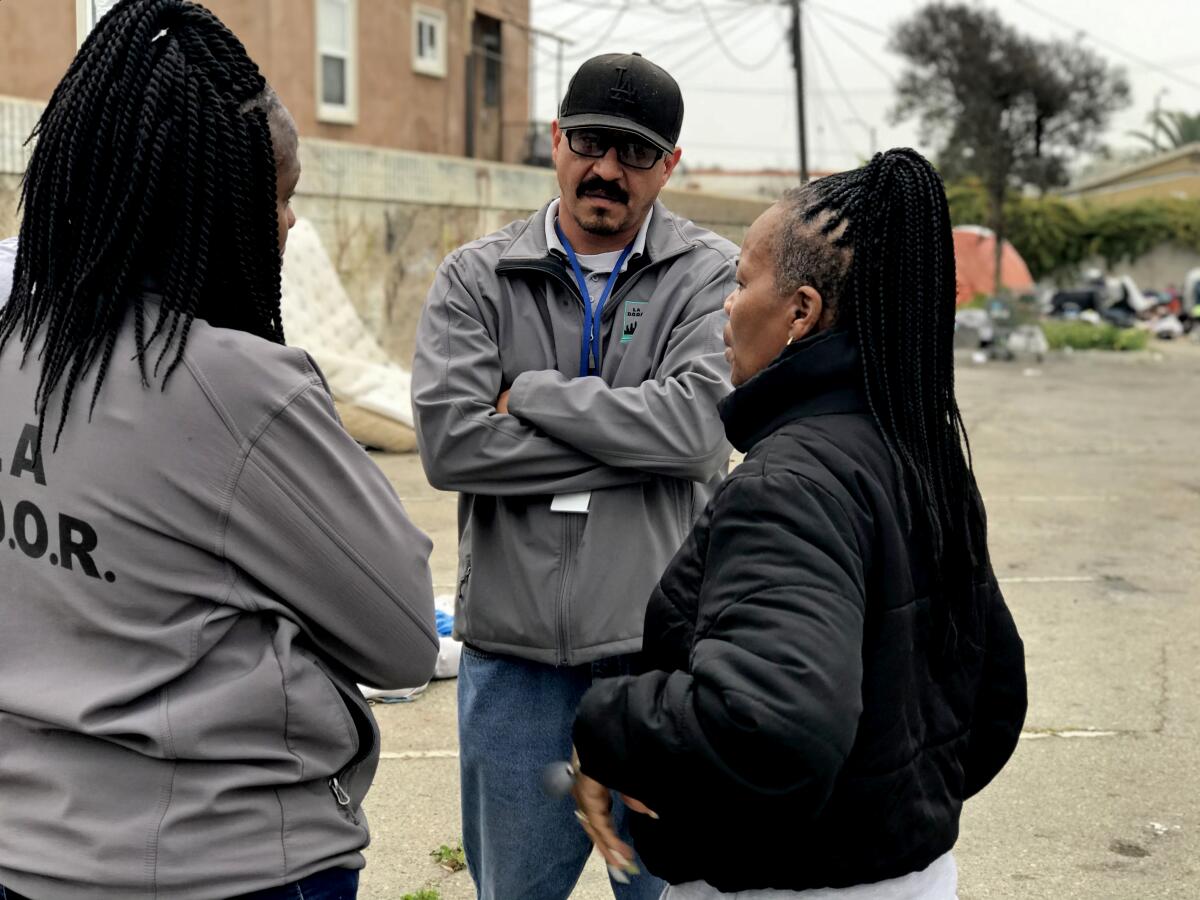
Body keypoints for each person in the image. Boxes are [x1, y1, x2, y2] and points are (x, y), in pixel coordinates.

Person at [0, 2, 437, 898]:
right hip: (219, 862)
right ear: (212, 201)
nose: (288, 226)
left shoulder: (10, 348)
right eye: (280, 195)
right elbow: (398, 640)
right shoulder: (238, 389)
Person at [569, 148, 1028, 898]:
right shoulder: (918, 453)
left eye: (743, 282)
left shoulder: (789, 485)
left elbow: (769, 722)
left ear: (802, 311)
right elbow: (991, 694)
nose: (726, 303)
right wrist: (895, 804)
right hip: (912, 874)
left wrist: (608, 730)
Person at [411, 52, 737, 900]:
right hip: (515, 669)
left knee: (673, 893)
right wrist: (639, 437)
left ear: (669, 164)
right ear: (555, 140)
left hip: (659, 668)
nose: (606, 169)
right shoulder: (477, 277)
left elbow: (701, 434)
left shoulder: (709, 275)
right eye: (590, 141)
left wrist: (536, 397)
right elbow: (452, 447)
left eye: (634, 152)